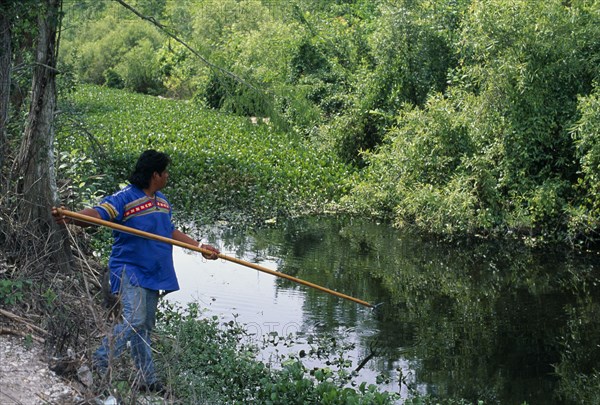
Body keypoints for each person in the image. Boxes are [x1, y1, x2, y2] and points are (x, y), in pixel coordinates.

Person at [52, 149, 219, 394]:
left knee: (145, 327)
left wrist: (199, 247)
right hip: (129, 270)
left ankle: (146, 380)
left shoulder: (163, 202)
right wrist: (73, 217)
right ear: (155, 174)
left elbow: (169, 231)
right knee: (134, 320)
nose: (167, 176)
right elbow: (98, 215)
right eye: (165, 172)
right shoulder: (125, 199)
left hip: (153, 272)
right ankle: (96, 363)